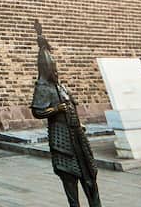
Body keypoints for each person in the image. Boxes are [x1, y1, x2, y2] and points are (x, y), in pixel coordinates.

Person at [29, 22, 101, 207]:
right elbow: (37, 111)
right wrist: (56, 109)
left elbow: (72, 106)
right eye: (50, 68)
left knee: (90, 177)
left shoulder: (61, 87)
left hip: (77, 136)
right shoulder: (43, 88)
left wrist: (79, 123)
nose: (54, 71)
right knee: (70, 179)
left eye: (55, 67)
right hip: (62, 138)